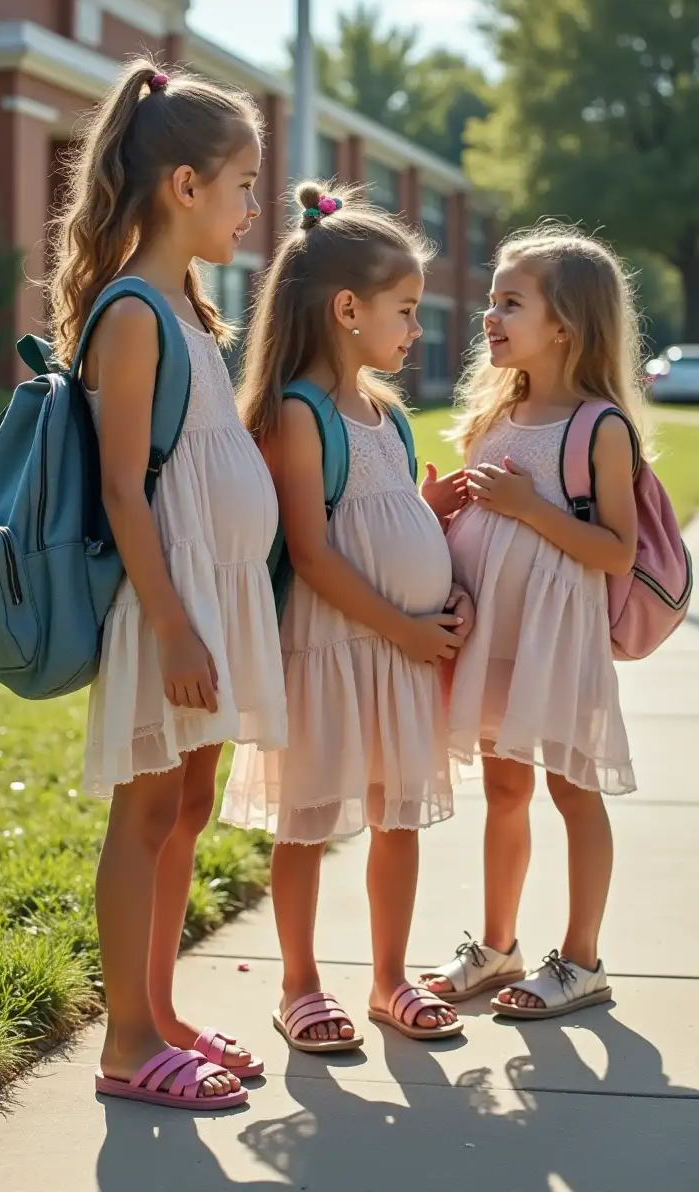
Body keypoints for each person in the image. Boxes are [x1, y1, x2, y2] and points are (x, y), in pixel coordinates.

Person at [47, 60, 286, 1110]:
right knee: (145, 814)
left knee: (189, 804)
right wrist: (179, 627)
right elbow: (124, 487)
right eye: (242, 185)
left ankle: (162, 1008)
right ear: (183, 186)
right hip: (169, 606)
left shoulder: (187, 307)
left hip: (209, 598)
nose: (253, 208)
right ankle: (126, 1041)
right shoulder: (135, 309)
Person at [221, 182, 474, 1050]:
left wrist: (430, 526)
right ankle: (299, 986)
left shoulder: (388, 414)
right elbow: (317, 552)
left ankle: (390, 979)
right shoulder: (301, 412)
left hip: (398, 656)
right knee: (310, 818)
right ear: (346, 309)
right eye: (405, 311)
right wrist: (404, 625)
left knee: (396, 815)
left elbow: (386, 514)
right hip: (331, 651)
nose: (414, 328)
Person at [420, 224, 640, 1020]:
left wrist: (527, 506)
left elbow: (616, 551)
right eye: (490, 301)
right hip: (495, 633)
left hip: (556, 639)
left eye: (510, 302)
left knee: (574, 791)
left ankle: (582, 961)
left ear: (566, 325)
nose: (489, 316)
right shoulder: (495, 413)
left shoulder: (598, 427)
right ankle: (499, 943)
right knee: (505, 788)